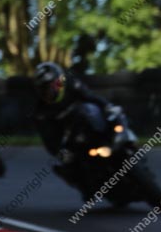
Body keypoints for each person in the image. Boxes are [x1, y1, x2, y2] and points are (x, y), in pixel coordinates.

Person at [32, 61, 120, 192]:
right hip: (74, 140)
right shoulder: (41, 111)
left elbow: (91, 97)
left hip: (92, 126)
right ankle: (88, 187)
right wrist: (60, 152)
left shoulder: (72, 84)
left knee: (115, 115)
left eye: (52, 85)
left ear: (59, 81)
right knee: (67, 164)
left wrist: (108, 107)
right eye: (45, 88)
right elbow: (48, 139)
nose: (50, 91)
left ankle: (125, 144)